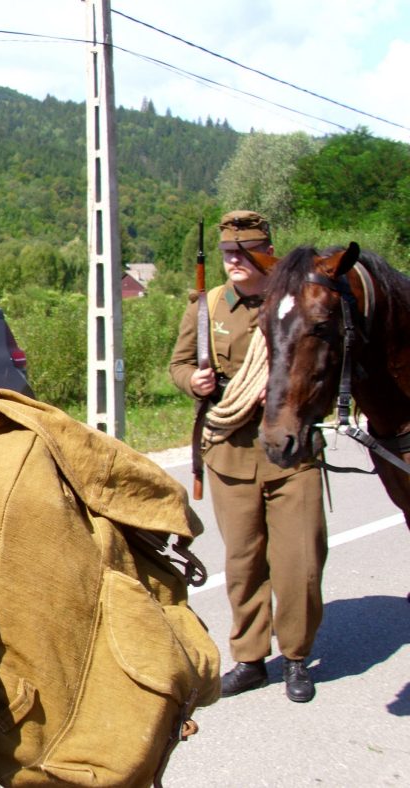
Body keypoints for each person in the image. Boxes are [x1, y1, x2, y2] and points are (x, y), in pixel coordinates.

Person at [169, 210, 327, 704]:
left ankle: (296, 657)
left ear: (267, 253)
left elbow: (322, 361)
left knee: (298, 562)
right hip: (229, 452)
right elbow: (177, 364)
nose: (234, 261)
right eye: (226, 254)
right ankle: (251, 659)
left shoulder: (298, 303)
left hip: (291, 452)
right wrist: (190, 382)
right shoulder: (209, 305)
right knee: (243, 562)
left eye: (245, 252)